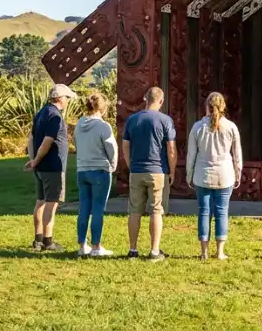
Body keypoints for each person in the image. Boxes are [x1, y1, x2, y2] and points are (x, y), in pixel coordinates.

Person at [186, 92, 243, 260]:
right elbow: (237, 153)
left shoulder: (197, 127)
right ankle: (219, 252)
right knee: (222, 212)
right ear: (223, 107)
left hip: (202, 174)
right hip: (225, 175)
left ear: (206, 107)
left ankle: (203, 252)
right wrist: (238, 172)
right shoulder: (231, 127)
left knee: (204, 212)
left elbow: (191, 155)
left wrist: (189, 175)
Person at [121, 86, 176, 261]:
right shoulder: (165, 120)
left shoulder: (132, 120)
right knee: (156, 211)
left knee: (134, 211)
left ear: (145, 98)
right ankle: (154, 251)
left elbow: (125, 145)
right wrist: (172, 170)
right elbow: (171, 149)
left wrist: (131, 165)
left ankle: (133, 250)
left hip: (137, 170)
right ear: (161, 101)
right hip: (158, 170)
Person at [25, 83, 75, 252]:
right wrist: (37, 159)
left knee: (40, 201)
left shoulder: (40, 113)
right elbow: (48, 140)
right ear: (60, 98)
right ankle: (48, 240)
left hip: (40, 167)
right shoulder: (55, 116)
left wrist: (33, 160)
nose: (68, 101)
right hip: (52, 166)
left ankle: (37, 239)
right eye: (67, 98)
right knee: (51, 204)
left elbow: (31, 138)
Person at [74, 92, 117, 257]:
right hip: (99, 169)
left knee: (84, 206)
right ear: (103, 108)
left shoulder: (79, 123)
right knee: (98, 208)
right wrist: (112, 165)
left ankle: (81, 245)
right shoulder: (103, 126)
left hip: (82, 169)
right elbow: (111, 149)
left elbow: (76, 143)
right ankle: (96, 246)